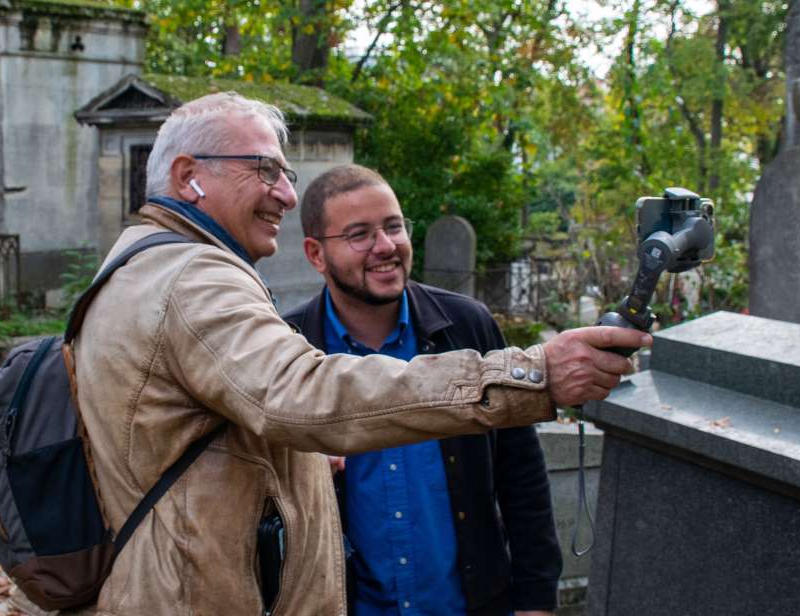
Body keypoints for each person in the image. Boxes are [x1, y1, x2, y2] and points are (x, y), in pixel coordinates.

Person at [73, 92, 648, 615]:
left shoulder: (138, 264)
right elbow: (304, 396)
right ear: (188, 175)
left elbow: (196, 439)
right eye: (265, 170)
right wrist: (535, 373)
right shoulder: (193, 277)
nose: (287, 193)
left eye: (286, 173)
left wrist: (291, 461)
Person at [282, 164, 562, 616]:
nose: (386, 246)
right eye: (360, 234)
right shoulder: (289, 347)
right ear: (316, 254)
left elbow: (521, 472)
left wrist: (536, 600)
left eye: (394, 226)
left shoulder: (467, 326)